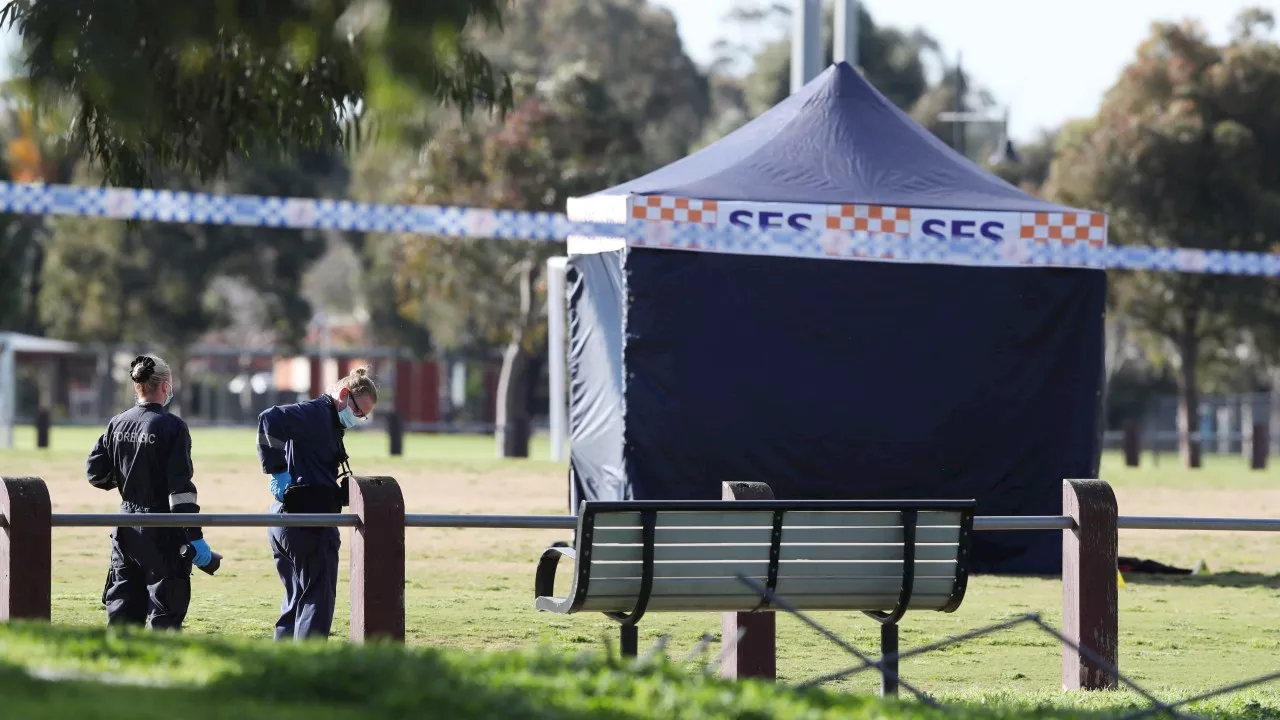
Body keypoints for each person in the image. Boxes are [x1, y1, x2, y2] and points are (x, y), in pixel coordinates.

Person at [86, 354, 215, 630]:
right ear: (166, 387)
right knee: (165, 615)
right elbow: (180, 491)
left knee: (121, 616)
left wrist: (124, 481)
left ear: (137, 387)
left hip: (125, 528)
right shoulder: (173, 427)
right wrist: (195, 537)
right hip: (162, 529)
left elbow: (95, 473)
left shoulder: (117, 423)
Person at [256, 365, 377, 641]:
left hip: (289, 520)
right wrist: (277, 469)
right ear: (344, 394)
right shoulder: (316, 414)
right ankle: (308, 667)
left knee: (296, 601)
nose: (358, 418)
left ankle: (283, 668)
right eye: (358, 410)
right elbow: (268, 419)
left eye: (364, 416)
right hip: (308, 522)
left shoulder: (327, 421)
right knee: (316, 602)